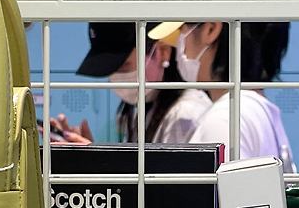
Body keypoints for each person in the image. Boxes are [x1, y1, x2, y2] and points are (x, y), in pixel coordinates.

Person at [148, 21, 294, 168]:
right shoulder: (255, 111)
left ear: (211, 29)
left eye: (182, 31)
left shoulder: (225, 119)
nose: (179, 47)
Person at [57, 22, 211, 144]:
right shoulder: (145, 110)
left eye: (124, 66)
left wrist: (97, 163)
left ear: (163, 52)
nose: (116, 77)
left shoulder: (186, 114)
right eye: (110, 70)